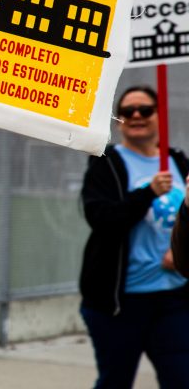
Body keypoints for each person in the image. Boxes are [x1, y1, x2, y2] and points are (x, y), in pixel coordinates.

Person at [79, 85, 189, 389]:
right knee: (115, 381)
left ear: (159, 116)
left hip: (174, 299)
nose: (137, 116)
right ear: (119, 121)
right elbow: (101, 219)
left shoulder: (178, 160)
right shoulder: (107, 163)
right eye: (128, 112)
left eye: (146, 110)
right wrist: (147, 193)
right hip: (120, 302)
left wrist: (182, 251)